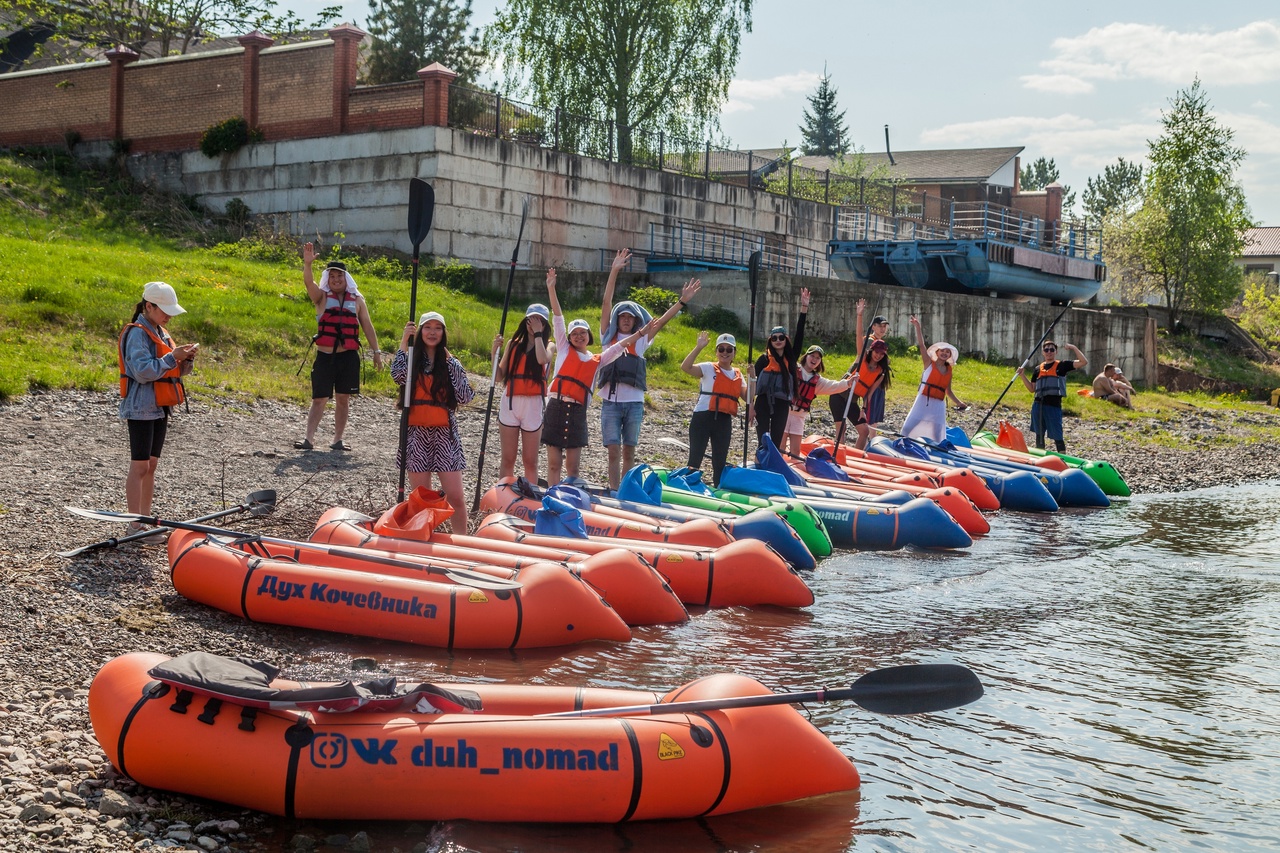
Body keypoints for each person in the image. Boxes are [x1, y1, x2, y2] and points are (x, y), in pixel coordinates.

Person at [598, 248, 701, 490]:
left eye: (630, 317)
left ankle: (624, 492)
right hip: (610, 403)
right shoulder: (607, 338)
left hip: (634, 403)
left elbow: (662, 320)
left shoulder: (641, 340)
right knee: (613, 451)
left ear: (635, 321)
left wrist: (682, 301)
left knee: (629, 454)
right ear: (616, 319)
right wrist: (614, 271)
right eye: (622, 316)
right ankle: (614, 492)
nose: (625, 319)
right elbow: (605, 302)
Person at [542, 268, 649, 485]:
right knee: (554, 464)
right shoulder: (563, 347)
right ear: (569, 338)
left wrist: (639, 334)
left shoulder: (597, 358)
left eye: (583, 332)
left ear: (589, 336)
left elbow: (619, 346)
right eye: (575, 333)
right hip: (556, 405)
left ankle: (570, 496)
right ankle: (551, 497)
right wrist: (551, 288)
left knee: (573, 468)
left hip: (578, 411)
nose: (579, 336)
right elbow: (558, 317)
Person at [118, 282, 199, 544]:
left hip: (160, 407)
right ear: (148, 306)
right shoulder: (137, 334)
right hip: (141, 407)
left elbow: (173, 372)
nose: (169, 316)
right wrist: (171, 357)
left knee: (151, 466)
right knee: (140, 466)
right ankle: (134, 525)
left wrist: (186, 359)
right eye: (164, 310)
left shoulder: (161, 332)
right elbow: (143, 372)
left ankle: (146, 520)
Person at [391, 312, 475, 533]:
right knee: (421, 498)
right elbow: (397, 375)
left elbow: (465, 396)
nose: (432, 332)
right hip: (416, 434)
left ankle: (462, 546)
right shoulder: (410, 358)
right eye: (427, 327)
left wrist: (454, 365)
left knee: (455, 497)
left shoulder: (450, 362)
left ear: (443, 333)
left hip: (444, 435)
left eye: (438, 328)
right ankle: (422, 540)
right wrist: (403, 341)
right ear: (419, 332)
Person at [297, 242, 382, 452]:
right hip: (325, 357)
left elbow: (368, 327)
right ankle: (308, 439)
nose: (336, 280)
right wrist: (308, 265)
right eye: (332, 277)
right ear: (328, 279)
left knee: (343, 398)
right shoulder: (322, 297)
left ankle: (337, 440)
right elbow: (309, 284)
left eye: (339, 276)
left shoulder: (358, 300)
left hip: (348, 357)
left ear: (346, 278)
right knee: (320, 399)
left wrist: (377, 352)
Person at [681, 331, 749, 487]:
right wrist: (698, 347)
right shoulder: (708, 368)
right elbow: (686, 367)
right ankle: (689, 487)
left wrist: (753, 378)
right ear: (717, 352)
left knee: (719, 461)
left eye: (729, 349)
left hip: (724, 421)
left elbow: (749, 398)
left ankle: (717, 489)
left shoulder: (738, 374)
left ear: (734, 353)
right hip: (703, 418)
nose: (725, 353)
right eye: (721, 349)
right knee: (695, 458)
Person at [493, 304, 551, 483]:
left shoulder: (549, 346)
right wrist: (494, 352)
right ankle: (503, 495)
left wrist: (538, 334)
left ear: (544, 324)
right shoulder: (513, 344)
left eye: (538, 320)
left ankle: (530, 497)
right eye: (530, 320)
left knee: (530, 461)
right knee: (508, 458)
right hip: (511, 404)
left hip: (533, 405)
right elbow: (498, 376)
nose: (533, 323)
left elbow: (542, 359)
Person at [751, 287, 810, 449]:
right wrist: (750, 407)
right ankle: (760, 464)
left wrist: (804, 309)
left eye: (781, 338)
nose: (778, 340)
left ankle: (771, 467)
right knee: (763, 440)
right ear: (771, 340)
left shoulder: (791, 359)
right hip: (762, 402)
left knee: (776, 442)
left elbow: (799, 336)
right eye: (774, 338)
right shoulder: (763, 360)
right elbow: (752, 384)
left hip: (782, 403)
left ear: (786, 339)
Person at [831, 299, 891, 449]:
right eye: (876, 352)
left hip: (852, 400)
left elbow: (868, 394)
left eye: (881, 354)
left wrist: (864, 410)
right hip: (839, 395)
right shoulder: (862, 357)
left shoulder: (880, 373)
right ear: (871, 351)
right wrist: (859, 315)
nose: (878, 356)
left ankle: (856, 459)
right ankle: (838, 456)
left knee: (864, 431)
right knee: (841, 430)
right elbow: (859, 336)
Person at [900, 316, 968, 443]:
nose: (944, 353)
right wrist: (918, 327)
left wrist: (959, 403)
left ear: (950, 356)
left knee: (937, 430)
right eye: (942, 351)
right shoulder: (929, 363)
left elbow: (948, 390)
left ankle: (937, 447)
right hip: (923, 400)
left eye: (947, 352)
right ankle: (902, 441)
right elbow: (921, 345)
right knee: (910, 425)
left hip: (938, 404)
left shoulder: (949, 370)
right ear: (937, 353)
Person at [784, 345, 851, 456]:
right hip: (784, 414)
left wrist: (848, 383)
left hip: (799, 417)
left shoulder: (817, 381)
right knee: (780, 447)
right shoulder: (793, 369)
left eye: (818, 358)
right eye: (812, 356)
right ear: (806, 356)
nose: (814, 359)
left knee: (795, 452)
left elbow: (833, 386)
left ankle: (792, 467)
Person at [1020, 339, 1087, 451]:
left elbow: (1083, 362)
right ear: (1043, 352)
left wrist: (1073, 348)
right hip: (1038, 406)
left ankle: (1063, 458)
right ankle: (1040, 457)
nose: (1049, 352)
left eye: (1052, 349)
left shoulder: (1062, 365)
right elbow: (1032, 389)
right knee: (1039, 435)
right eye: (1046, 349)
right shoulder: (1037, 369)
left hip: (1053, 406)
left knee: (1057, 436)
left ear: (1056, 352)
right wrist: (1022, 375)